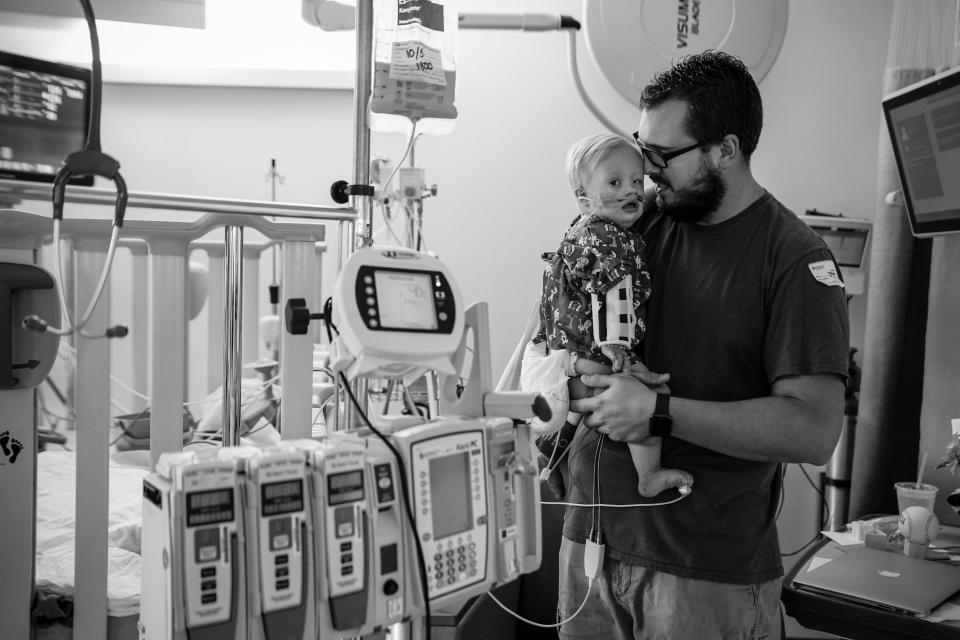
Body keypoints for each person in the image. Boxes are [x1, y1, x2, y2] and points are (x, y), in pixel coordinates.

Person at [555, 50, 850, 640]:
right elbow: (566, 322)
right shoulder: (636, 225)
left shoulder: (793, 259)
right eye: (643, 152)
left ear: (726, 149)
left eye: (663, 156)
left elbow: (813, 432)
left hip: (703, 573)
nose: (646, 172)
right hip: (590, 541)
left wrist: (660, 412)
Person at [530, 133, 693, 499]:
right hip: (597, 350)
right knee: (653, 397)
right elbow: (613, 293)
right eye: (615, 182)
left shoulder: (582, 228)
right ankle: (648, 474)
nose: (631, 191)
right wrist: (617, 347)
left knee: (583, 404)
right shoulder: (609, 238)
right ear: (584, 198)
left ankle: (550, 445)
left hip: (573, 350)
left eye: (637, 181)